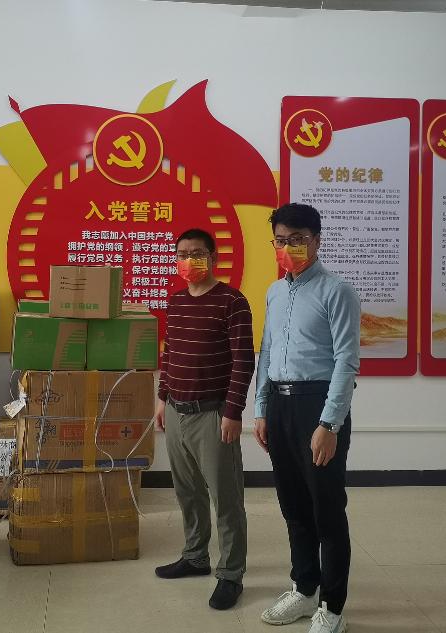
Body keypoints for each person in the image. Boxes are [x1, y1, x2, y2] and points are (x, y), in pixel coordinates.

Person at [253, 204, 360, 633]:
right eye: (280, 240)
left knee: (326, 511)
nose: (288, 248)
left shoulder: (337, 291)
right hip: (280, 407)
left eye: (297, 239)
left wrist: (329, 424)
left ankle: (332, 608)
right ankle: (304, 588)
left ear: (316, 240)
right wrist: (261, 409)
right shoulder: (274, 292)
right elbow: (267, 351)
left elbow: (347, 361)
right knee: (294, 507)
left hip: (318, 407)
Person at [153, 228, 254, 611]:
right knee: (188, 492)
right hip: (176, 410)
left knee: (225, 498)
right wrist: (162, 397)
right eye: (182, 253)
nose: (188, 260)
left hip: (213, 414)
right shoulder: (176, 301)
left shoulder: (232, 301)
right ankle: (196, 556)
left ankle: (230, 574)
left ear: (213, 257)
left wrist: (233, 412)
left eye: (196, 253)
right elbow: (169, 354)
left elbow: (243, 361)